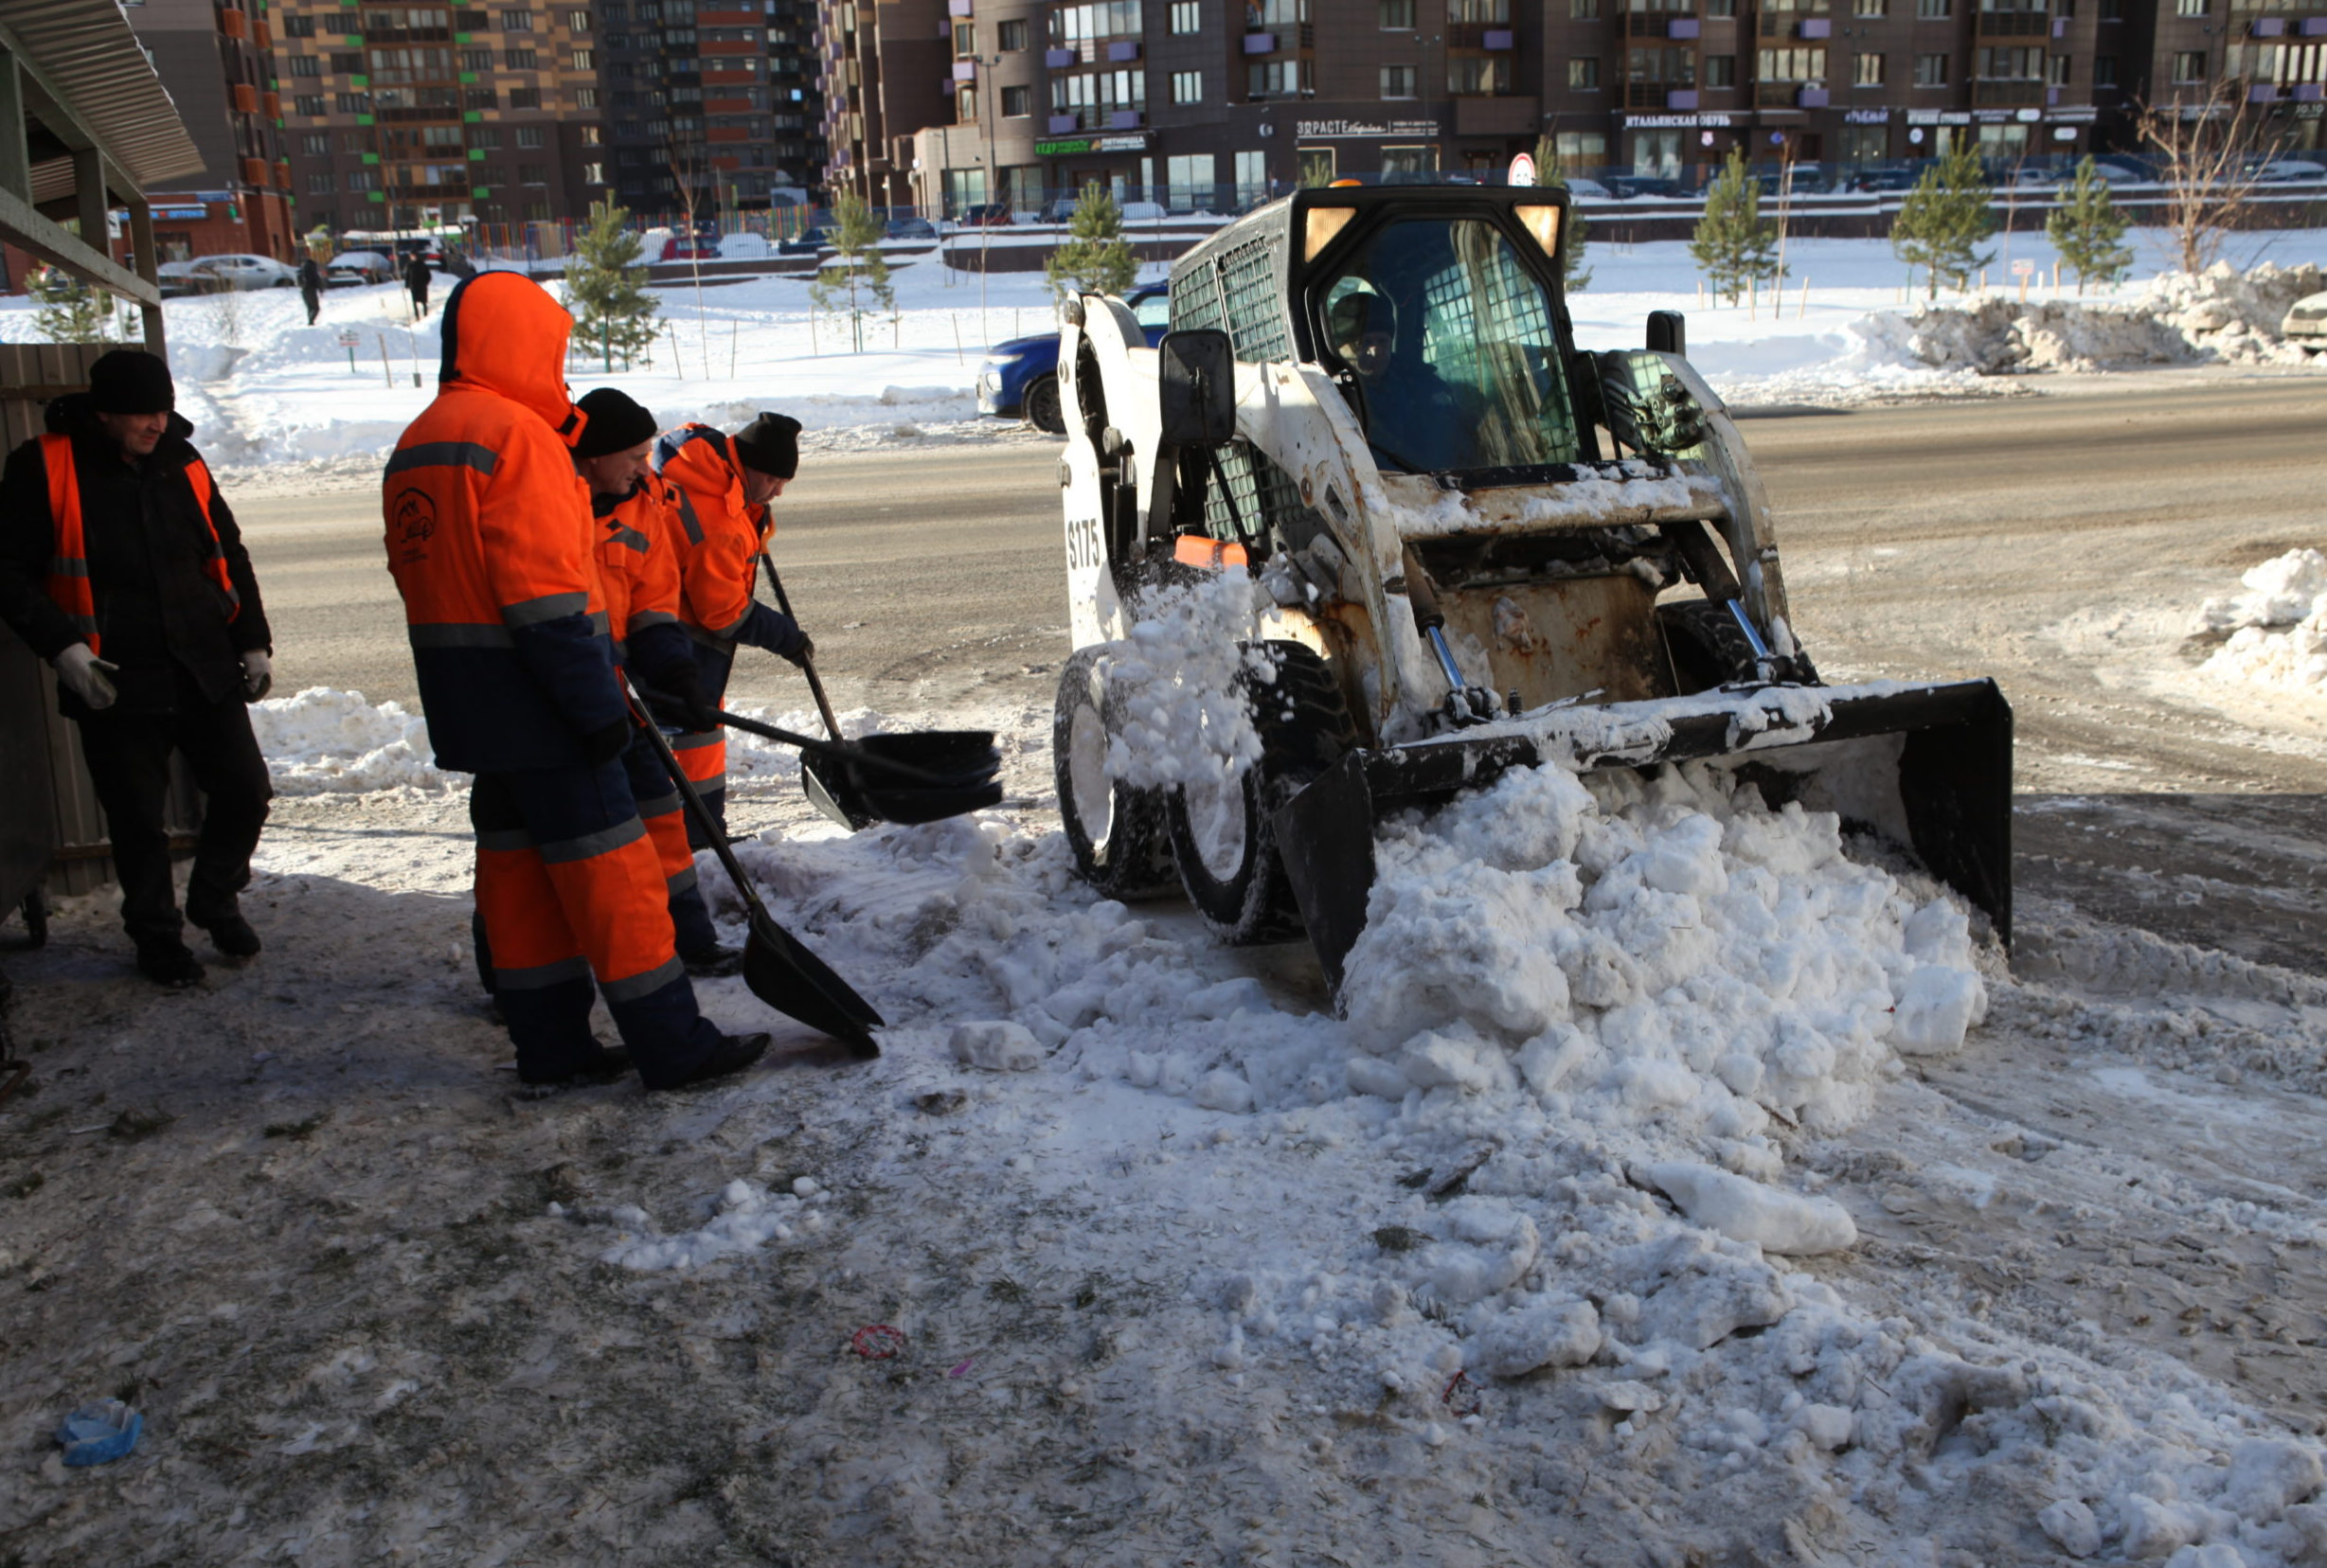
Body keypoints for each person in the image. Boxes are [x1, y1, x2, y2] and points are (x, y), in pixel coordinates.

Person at [382, 271, 763, 1092]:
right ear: (523, 343)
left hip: (475, 713)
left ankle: (553, 1053)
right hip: (551, 710)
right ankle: (676, 1048)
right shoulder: (517, 438)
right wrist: (596, 709)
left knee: (519, 894)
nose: (560, 373)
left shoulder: (419, 442)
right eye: (554, 351)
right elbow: (548, 600)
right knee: (616, 882)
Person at [0, 349, 276, 988]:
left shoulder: (182, 459)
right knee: (137, 822)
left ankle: (213, 898)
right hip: (115, 677)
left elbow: (227, 550)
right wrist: (65, 651)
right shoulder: (44, 467)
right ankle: (157, 939)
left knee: (245, 792)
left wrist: (252, 640)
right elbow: (8, 571)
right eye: (141, 414)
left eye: (162, 410)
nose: (156, 424)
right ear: (102, 415)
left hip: (201, 663)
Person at [570, 387, 740, 977]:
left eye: (649, 455)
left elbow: (654, 603)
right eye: (634, 457)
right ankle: (530, 976)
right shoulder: (550, 506)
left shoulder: (645, 503)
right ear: (591, 457)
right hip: (562, 695)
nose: (647, 469)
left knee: (665, 817)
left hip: (623, 686)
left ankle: (691, 940)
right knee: (567, 846)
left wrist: (677, 671)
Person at [652, 412, 810, 848]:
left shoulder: (705, 462)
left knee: (685, 744)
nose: (778, 491)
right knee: (687, 743)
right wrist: (787, 638)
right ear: (751, 466)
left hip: (660, 629)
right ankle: (695, 844)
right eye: (775, 480)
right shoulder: (719, 522)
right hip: (677, 642)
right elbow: (723, 612)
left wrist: (754, 513)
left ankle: (699, 835)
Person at [1326, 287, 1477, 473]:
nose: (1375, 351)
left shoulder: (1419, 384)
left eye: (1382, 341)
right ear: (1341, 349)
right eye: (1363, 343)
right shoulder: (1330, 396)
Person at [403, 253, 432, 320]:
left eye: (413, 256)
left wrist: (425, 283)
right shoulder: (410, 265)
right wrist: (407, 285)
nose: (412, 257)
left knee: (423, 301)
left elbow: (428, 276)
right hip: (413, 286)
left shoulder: (422, 264)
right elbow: (407, 276)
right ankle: (417, 316)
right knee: (414, 302)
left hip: (422, 286)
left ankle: (425, 315)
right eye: (411, 256)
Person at [298, 255, 324, 327]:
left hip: (303, 290)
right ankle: (310, 322)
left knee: (310, 307)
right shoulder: (311, 268)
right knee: (316, 308)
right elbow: (317, 279)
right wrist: (321, 289)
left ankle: (310, 322)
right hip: (311, 290)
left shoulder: (302, 267)